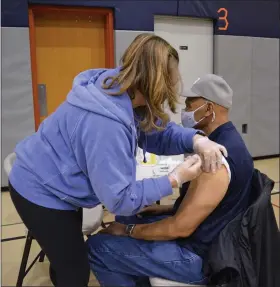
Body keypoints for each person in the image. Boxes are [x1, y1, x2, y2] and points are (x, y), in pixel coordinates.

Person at [8, 33, 226, 287]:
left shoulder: (120, 89)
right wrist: (174, 179)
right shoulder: (106, 123)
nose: (171, 90)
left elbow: (157, 131)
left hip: (57, 180)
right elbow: (121, 199)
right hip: (40, 190)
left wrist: (195, 140)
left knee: (68, 260)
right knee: (75, 272)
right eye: (170, 82)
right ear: (155, 81)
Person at [88, 74, 254, 286]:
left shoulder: (215, 159)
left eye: (190, 104)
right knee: (126, 216)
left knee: (98, 247)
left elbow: (180, 228)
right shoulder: (225, 141)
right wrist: (160, 210)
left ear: (209, 109)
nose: (185, 110)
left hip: (198, 258)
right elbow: (211, 207)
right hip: (208, 239)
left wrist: (128, 232)